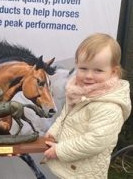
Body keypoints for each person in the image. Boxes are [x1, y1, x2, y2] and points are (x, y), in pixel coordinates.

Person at [43, 33, 131, 179]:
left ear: (113, 71)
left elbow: (96, 141)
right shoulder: (78, 91)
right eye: (83, 68)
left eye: (98, 70)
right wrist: (53, 132)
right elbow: (64, 117)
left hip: (85, 173)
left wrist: (60, 150)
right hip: (70, 167)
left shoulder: (109, 106)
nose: (89, 76)